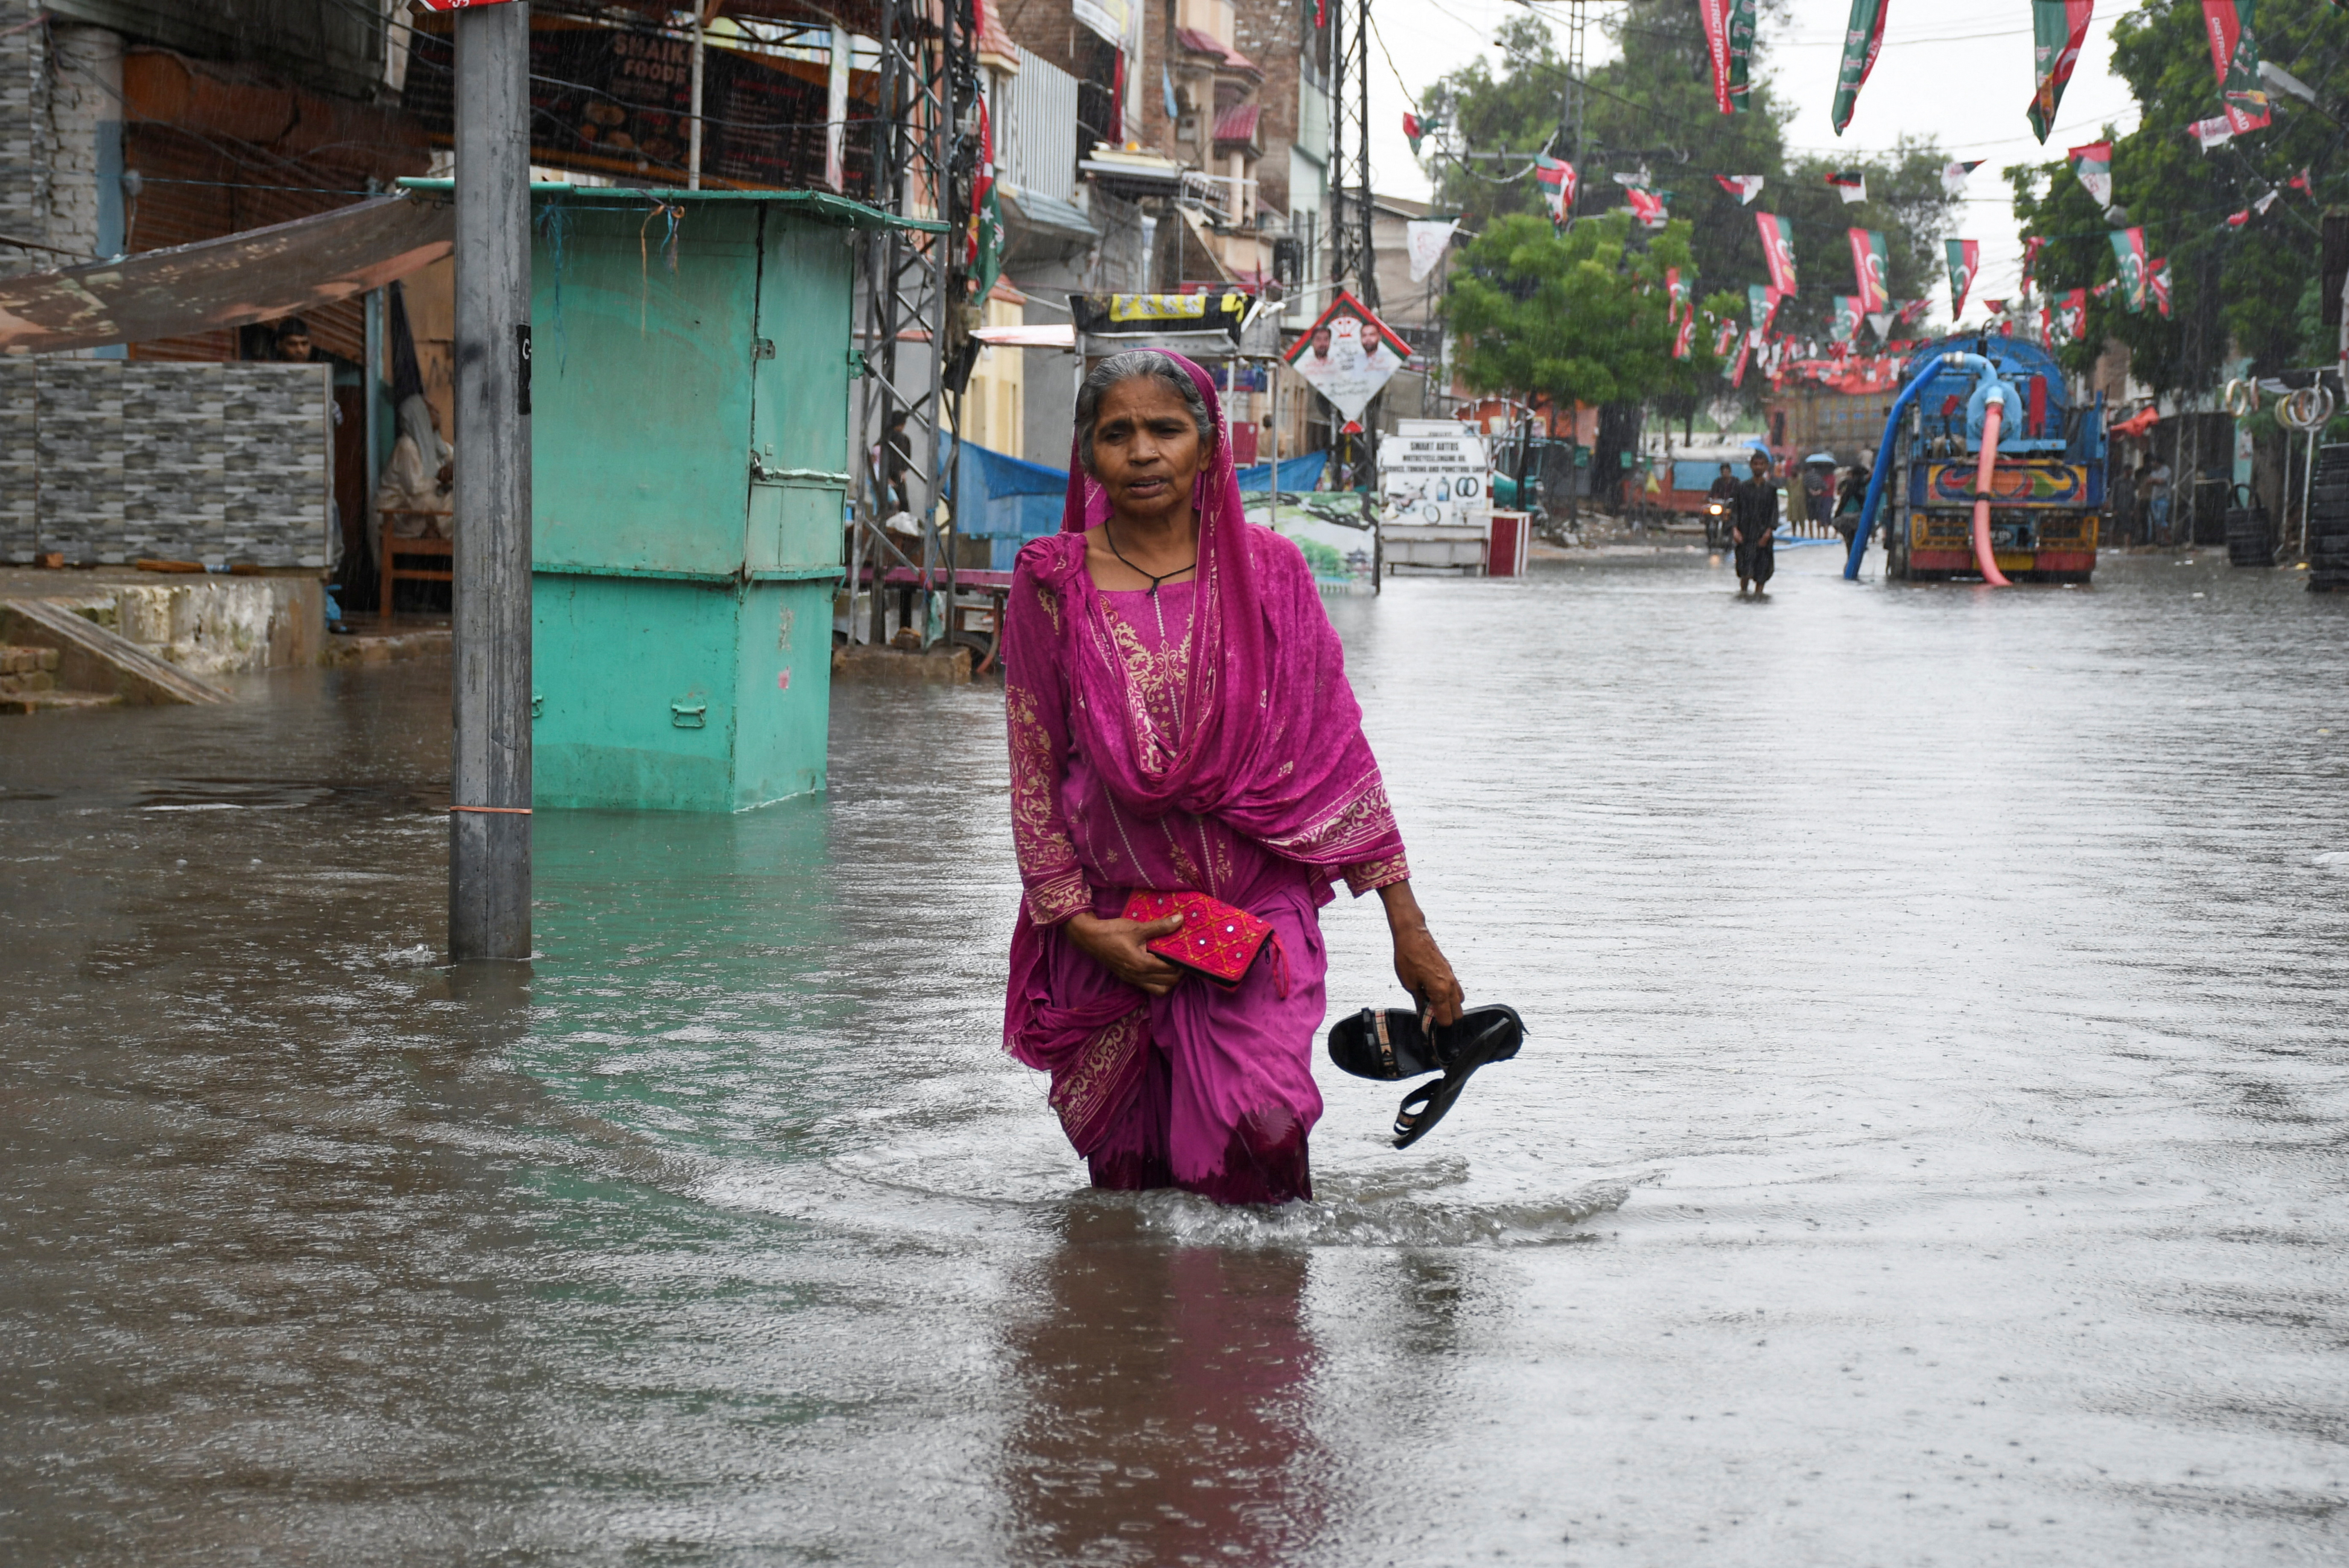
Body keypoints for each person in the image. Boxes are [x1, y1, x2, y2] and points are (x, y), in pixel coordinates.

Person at [999, 350, 1464, 1205]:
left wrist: (1409, 928)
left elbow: (1338, 762)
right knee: (1129, 1192)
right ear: (1088, 454)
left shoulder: (1272, 576)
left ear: (1208, 444)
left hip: (1253, 923)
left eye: (1165, 430)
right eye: (1117, 433)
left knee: (1262, 1139)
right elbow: (1033, 774)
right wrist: (1079, 928)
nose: (1142, 452)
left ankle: (1257, 1337)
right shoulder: (1049, 585)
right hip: (1114, 932)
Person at [375, 394, 454, 539]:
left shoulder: (439, 448)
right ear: (418, 415)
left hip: (419, 511)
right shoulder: (407, 447)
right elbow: (415, 490)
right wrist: (440, 478)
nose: (436, 411)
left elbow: (454, 461)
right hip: (397, 516)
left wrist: (452, 470)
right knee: (454, 503)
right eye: (429, 409)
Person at [1731, 450, 1778, 594]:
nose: (1758, 467)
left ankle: (1759, 596)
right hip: (1746, 535)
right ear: (1751, 466)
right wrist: (1735, 530)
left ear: (1766, 467)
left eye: (1761, 464)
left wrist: (1768, 533)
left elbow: (1774, 513)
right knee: (1745, 571)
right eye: (1756, 464)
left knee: (1762, 573)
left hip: (1763, 536)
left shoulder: (1771, 490)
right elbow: (1735, 510)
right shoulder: (1742, 488)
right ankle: (1744, 595)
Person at [1705, 462, 1740, 550]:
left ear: (1730, 472)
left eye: (1727, 472)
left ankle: (1731, 537)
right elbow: (1712, 493)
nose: (1725, 474)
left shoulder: (1736, 482)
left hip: (1731, 506)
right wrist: (1708, 498)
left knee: (1735, 519)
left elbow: (1741, 493)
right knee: (1708, 516)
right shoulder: (1718, 482)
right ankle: (1710, 538)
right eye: (1723, 472)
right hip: (1720, 506)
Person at [1834, 461, 1870, 546]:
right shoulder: (1863, 485)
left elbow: (1844, 501)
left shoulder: (1850, 484)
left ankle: (1851, 557)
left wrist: (1837, 515)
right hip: (1858, 516)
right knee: (1856, 540)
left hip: (1847, 516)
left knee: (1850, 541)